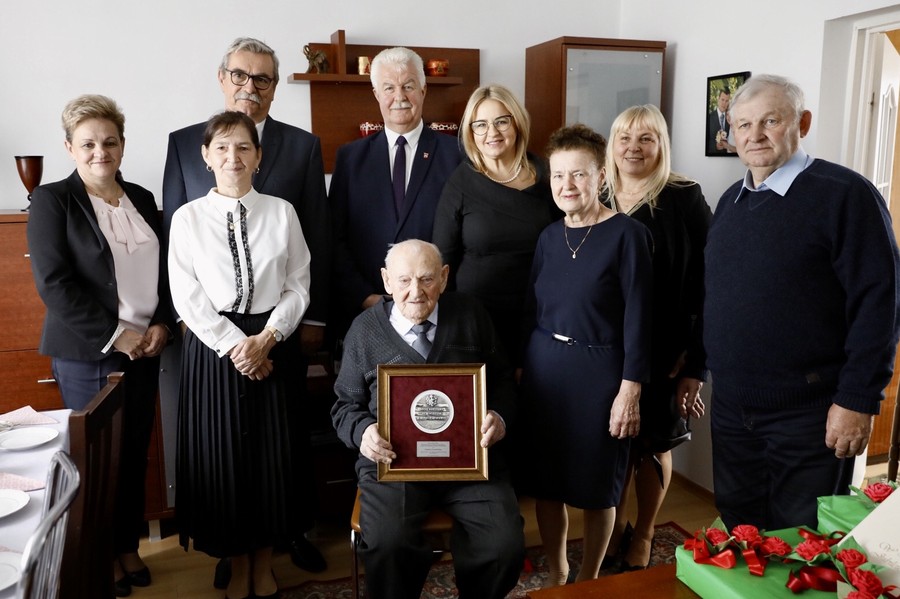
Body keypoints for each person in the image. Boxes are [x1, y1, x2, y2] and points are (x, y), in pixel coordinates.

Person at [162, 36, 328, 576]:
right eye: (239, 75)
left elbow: (310, 253)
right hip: (213, 340)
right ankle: (229, 552)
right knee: (221, 454)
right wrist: (228, 341)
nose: (249, 87)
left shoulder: (300, 151)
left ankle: (283, 540)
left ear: (274, 88)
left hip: (276, 331)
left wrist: (282, 331)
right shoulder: (184, 146)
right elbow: (179, 264)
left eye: (261, 79)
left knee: (278, 452)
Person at [704, 74, 900, 531]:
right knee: (739, 531)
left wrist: (858, 399)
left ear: (803, 123)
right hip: (733, 408)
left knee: (801, 538)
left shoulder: (846, 195)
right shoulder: (731, 200)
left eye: (770, 120)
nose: (754, 135)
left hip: (809, 413)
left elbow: (880, 305)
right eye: (743, 124)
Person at [27, 94, 173, 597]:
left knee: (133, 454)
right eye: (88, 143)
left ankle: (126, 544)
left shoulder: (142, 198)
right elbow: (54, 283)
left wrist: (162, 324)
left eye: (109, 141)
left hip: (146, 350)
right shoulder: (53, 201)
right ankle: (99, 554)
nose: (99, 151)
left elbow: (166, 271)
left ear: (123, 144)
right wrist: (117, 334)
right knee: (97, 462)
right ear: (70, 147)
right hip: (89, 351)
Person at [331, 239, 524, 599]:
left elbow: (502, 384)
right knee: (389, 543)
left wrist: (498, 416)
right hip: (393, 466)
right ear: (387, 281)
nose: (415, 292)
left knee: (504, 545)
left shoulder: (471, 315)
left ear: (445, 277)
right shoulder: (364, 330)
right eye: (404, 281)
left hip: (470, 464)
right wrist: (363, 433)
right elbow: (344, 406)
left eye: (426, 279)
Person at [519, 124, 653, 586]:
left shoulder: (627, 235)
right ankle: (557, 571)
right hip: (545, 375)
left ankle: (590, 578)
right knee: (548, 484)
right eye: (558, 176)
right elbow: (533, 309)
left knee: (599, 488)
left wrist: (630, 389)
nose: (566, 186)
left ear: (600, 176)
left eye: (578, 175)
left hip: (602, 376)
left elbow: (640, 317)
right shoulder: (548, 237)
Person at [600, 104, 711, 571]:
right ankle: (612, 528)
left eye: (646, 138)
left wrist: (696, 366)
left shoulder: (683, 197)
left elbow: (710, 283)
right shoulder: (595, 192)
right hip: (602, 348)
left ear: (661, 145)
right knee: (609, 447)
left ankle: (644, 532)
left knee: (652, 445)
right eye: (625, 137)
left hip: (665, 350)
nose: (633, 148)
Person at [330, 46, 461, 341]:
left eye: (408, 86)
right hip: (366, 313)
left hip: (437, 313)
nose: (399, 97)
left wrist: (432, 294)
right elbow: (334, 238)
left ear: (424, 90)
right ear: (376, 94)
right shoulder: (351, 158)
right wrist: (366, 297)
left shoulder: (456, 155)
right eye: (389, 87)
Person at [432, 84, 558, 360]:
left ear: (518, 122)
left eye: (501, 121)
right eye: (481, 125)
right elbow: (443, 262)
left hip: (541, 314)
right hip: (477, 318)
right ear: (470, 132)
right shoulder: (460, 183)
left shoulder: (549, 175)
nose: (492, 133)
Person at [706, 89, 734, 155]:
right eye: (722, 100)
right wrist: (715, 146)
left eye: (726, 101)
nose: (724, 103)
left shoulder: (731, 118)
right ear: (718, 99)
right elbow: (706, 140)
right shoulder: (709, 117)